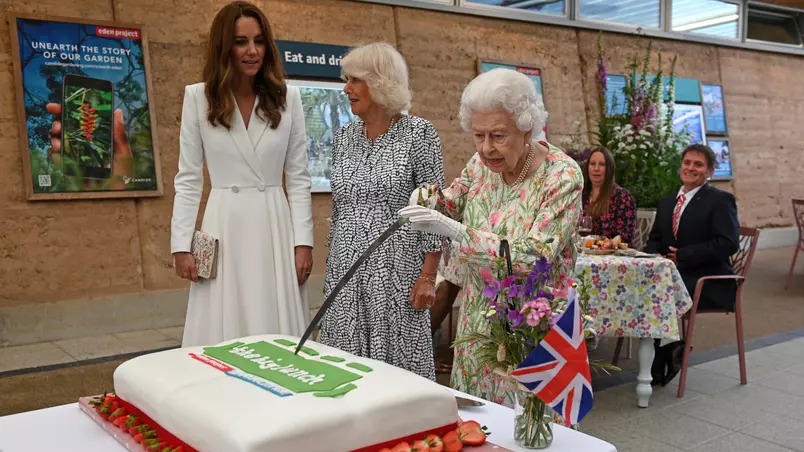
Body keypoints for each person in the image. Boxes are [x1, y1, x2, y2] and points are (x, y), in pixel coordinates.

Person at [399, 68, 583, 407]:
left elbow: (535, 255)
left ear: (526, 127)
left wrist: (455, 231)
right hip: (479, 320)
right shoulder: (481, 164)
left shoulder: (562, 175)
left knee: (529, 430)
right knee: (477, 422)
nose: (486, 149)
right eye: (478, 136)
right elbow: (452, 200)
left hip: (532, 324)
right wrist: (425, 198)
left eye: (498, 136)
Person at [171, 1, 313, 346]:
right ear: (224, 47)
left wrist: (303, 241)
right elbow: (188, 178)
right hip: (224, 224)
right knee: (223, 329)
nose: (252, 51)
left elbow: (298, 177)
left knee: (275, 324)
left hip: (274, 225)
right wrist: (181, 244)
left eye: (259, 41)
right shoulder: (198, 98)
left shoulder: (287, 98)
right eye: (241, 42)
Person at [319, 43, 446, 381]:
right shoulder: (344, 137)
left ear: (380, 82)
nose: (347, 89)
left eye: (355, 81)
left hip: (397, 273)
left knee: (397, 371)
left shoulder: (420, 134)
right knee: (345, 368)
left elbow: (432, 208)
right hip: (346, 269)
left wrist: (428, 276)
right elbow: (339, 205)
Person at [645, 143, 739, 385]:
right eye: (687, 163)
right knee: (643, 287)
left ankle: (660, 358)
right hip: (672, 278)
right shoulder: (668, 202)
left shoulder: (720, 200)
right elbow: (654, 239)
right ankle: (668, 349)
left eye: (698, 164)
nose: (691, 168)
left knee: (658, 292)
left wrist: (685, 255)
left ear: (709, 172)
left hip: (708, 281)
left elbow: (728, 243)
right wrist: (658, 256)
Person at [581, 147, 637, 244]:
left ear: (609, 169)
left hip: (613, 255)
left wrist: (610, 243)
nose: (596, 168)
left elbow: (626, 235)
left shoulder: (622, 196)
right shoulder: (581, 195)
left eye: (602, 164)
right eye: (592, 164)